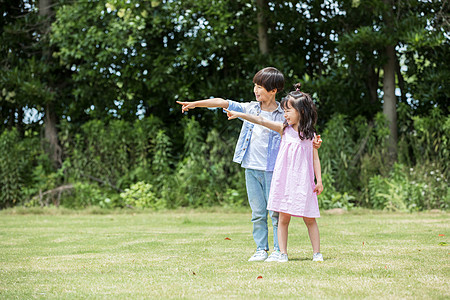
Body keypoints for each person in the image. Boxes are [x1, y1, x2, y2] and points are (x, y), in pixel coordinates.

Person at [177, 68, 321, 262]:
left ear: (273, 90)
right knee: (258, 212)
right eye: (255, 85)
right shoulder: (250, 108)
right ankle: (261, 249)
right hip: (251, 167)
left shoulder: (284, 113)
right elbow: (222, 102)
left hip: (274, 169)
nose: (255, 90)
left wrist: (313, 143)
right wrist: (195, 104)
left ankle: (279, 251)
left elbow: (301, 134)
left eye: (260, 86)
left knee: (276, 213)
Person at [224, 83, 324, 263]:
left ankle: (317, 253)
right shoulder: (283, 129)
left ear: (301, 111)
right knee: (283, 218)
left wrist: (319, 181)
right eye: (284, 111)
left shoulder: (310, 135)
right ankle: (282, 253)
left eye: (288, 111)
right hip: (285, 182)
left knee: (309, 218)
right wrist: (240, 114)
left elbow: (315, 158)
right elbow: (261, 120)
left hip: (304, 182)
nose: (284, 114)